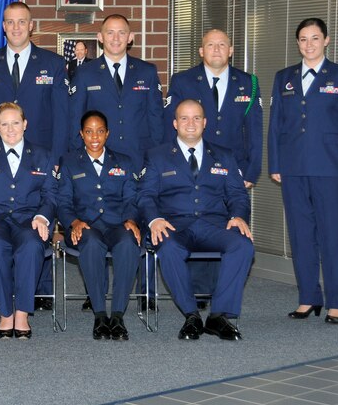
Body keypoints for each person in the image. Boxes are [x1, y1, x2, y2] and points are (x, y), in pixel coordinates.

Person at [268, 17, 338, 324]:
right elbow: (276, 126)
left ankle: (337, 301)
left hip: (329, 168)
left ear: (326, 40)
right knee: (300, 235)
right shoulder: (284, 77)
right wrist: (276, 164)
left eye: (314, 38)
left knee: (331, 235)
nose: (309, 44)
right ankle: (309, 296)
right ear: (298, 44)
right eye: (303, 39)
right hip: (293, 168)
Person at [0, 1, 68, 310]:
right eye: (10, 22)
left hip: (39, 157)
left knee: (35, 223)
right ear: (3, 26)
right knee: (0, 221)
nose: (16, 27)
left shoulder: (53, 64)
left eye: (22, 22)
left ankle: (38, 292)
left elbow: (61, 115)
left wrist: (56, 158)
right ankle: (0, 291)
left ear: (31, 26)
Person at [137, 99, 254, 341]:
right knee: (168, 248)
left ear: (205, 123)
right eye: (184, 118)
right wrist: (154, 219)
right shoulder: (157, 156)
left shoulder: (224, 155)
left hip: (214, 225)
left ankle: (218, 316)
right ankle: (191, 315)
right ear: (175, 123)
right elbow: (145, 195)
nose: (191, 123)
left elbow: (237, 194)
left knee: (243, 245)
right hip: (174, 226)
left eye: (196, 118)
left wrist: (238, 216)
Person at [164, 29, 262, 307]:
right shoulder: (182, 81)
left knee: (228, 227)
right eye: (210, 45)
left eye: (222, 45)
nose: (217, 49)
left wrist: (251, 172)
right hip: (191, 165)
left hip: (233, 172)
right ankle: (197, 295)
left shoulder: (249, 83)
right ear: (201, 50)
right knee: (193, 219)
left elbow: (254, 131)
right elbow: (169, 125)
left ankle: (222, 295)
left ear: (231, 50)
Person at [0, 103, 57, 339]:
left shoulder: (42, 155)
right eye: (4, 124)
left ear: (25, 124)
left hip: (29, 219)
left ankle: (22, 314)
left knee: (31, 246)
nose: (10, 129)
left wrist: (42, 217)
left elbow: (51, 195)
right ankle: (5, 313)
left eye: (15, 123)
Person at [57, 110, 141, 340]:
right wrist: (72, 222)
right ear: (81, 134)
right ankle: (100, 315)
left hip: (117, 224)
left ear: (108, 134)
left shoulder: (123, 161)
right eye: (89, 131)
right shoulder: (70, 162)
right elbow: (62, 202)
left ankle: (117, 315)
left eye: (100, 131)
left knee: (128, 243)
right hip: (85, 226)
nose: (95, 137)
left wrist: (132, 220)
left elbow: (132, 198)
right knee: (92, 243)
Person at [69, 14, 162, 167]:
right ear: (100, 37)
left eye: (122, 32)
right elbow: (75, 118)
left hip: (139, 157)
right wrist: (78, 156)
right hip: (98, 157)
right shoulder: (85, 73)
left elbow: (156, 117)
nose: (116, 38)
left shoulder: (147, 71)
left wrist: (155, 154)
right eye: (110, 32)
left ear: (130, 37)